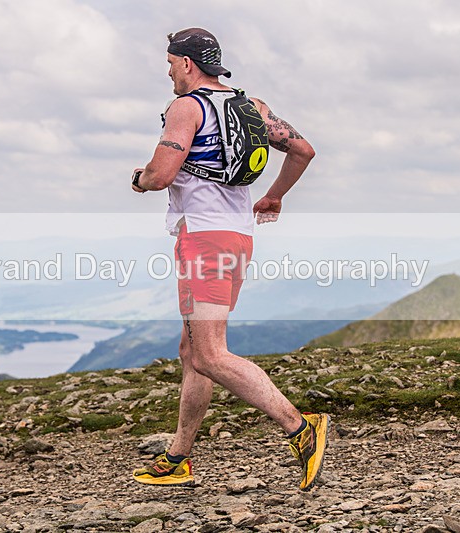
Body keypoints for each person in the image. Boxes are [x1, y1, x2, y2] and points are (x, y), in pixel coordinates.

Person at [130, 27, 327, 491]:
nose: (169, 74)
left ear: (187, 63)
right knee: (191, 352)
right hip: (235, 237)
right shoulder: (252, 107)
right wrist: (274, 197)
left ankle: (301, 428)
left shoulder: (187, 106)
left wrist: (138, 179)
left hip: (205, 240)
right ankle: (179, 456)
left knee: (211, 354)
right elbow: (302, 149)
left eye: (170, 65)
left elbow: (160, 177)